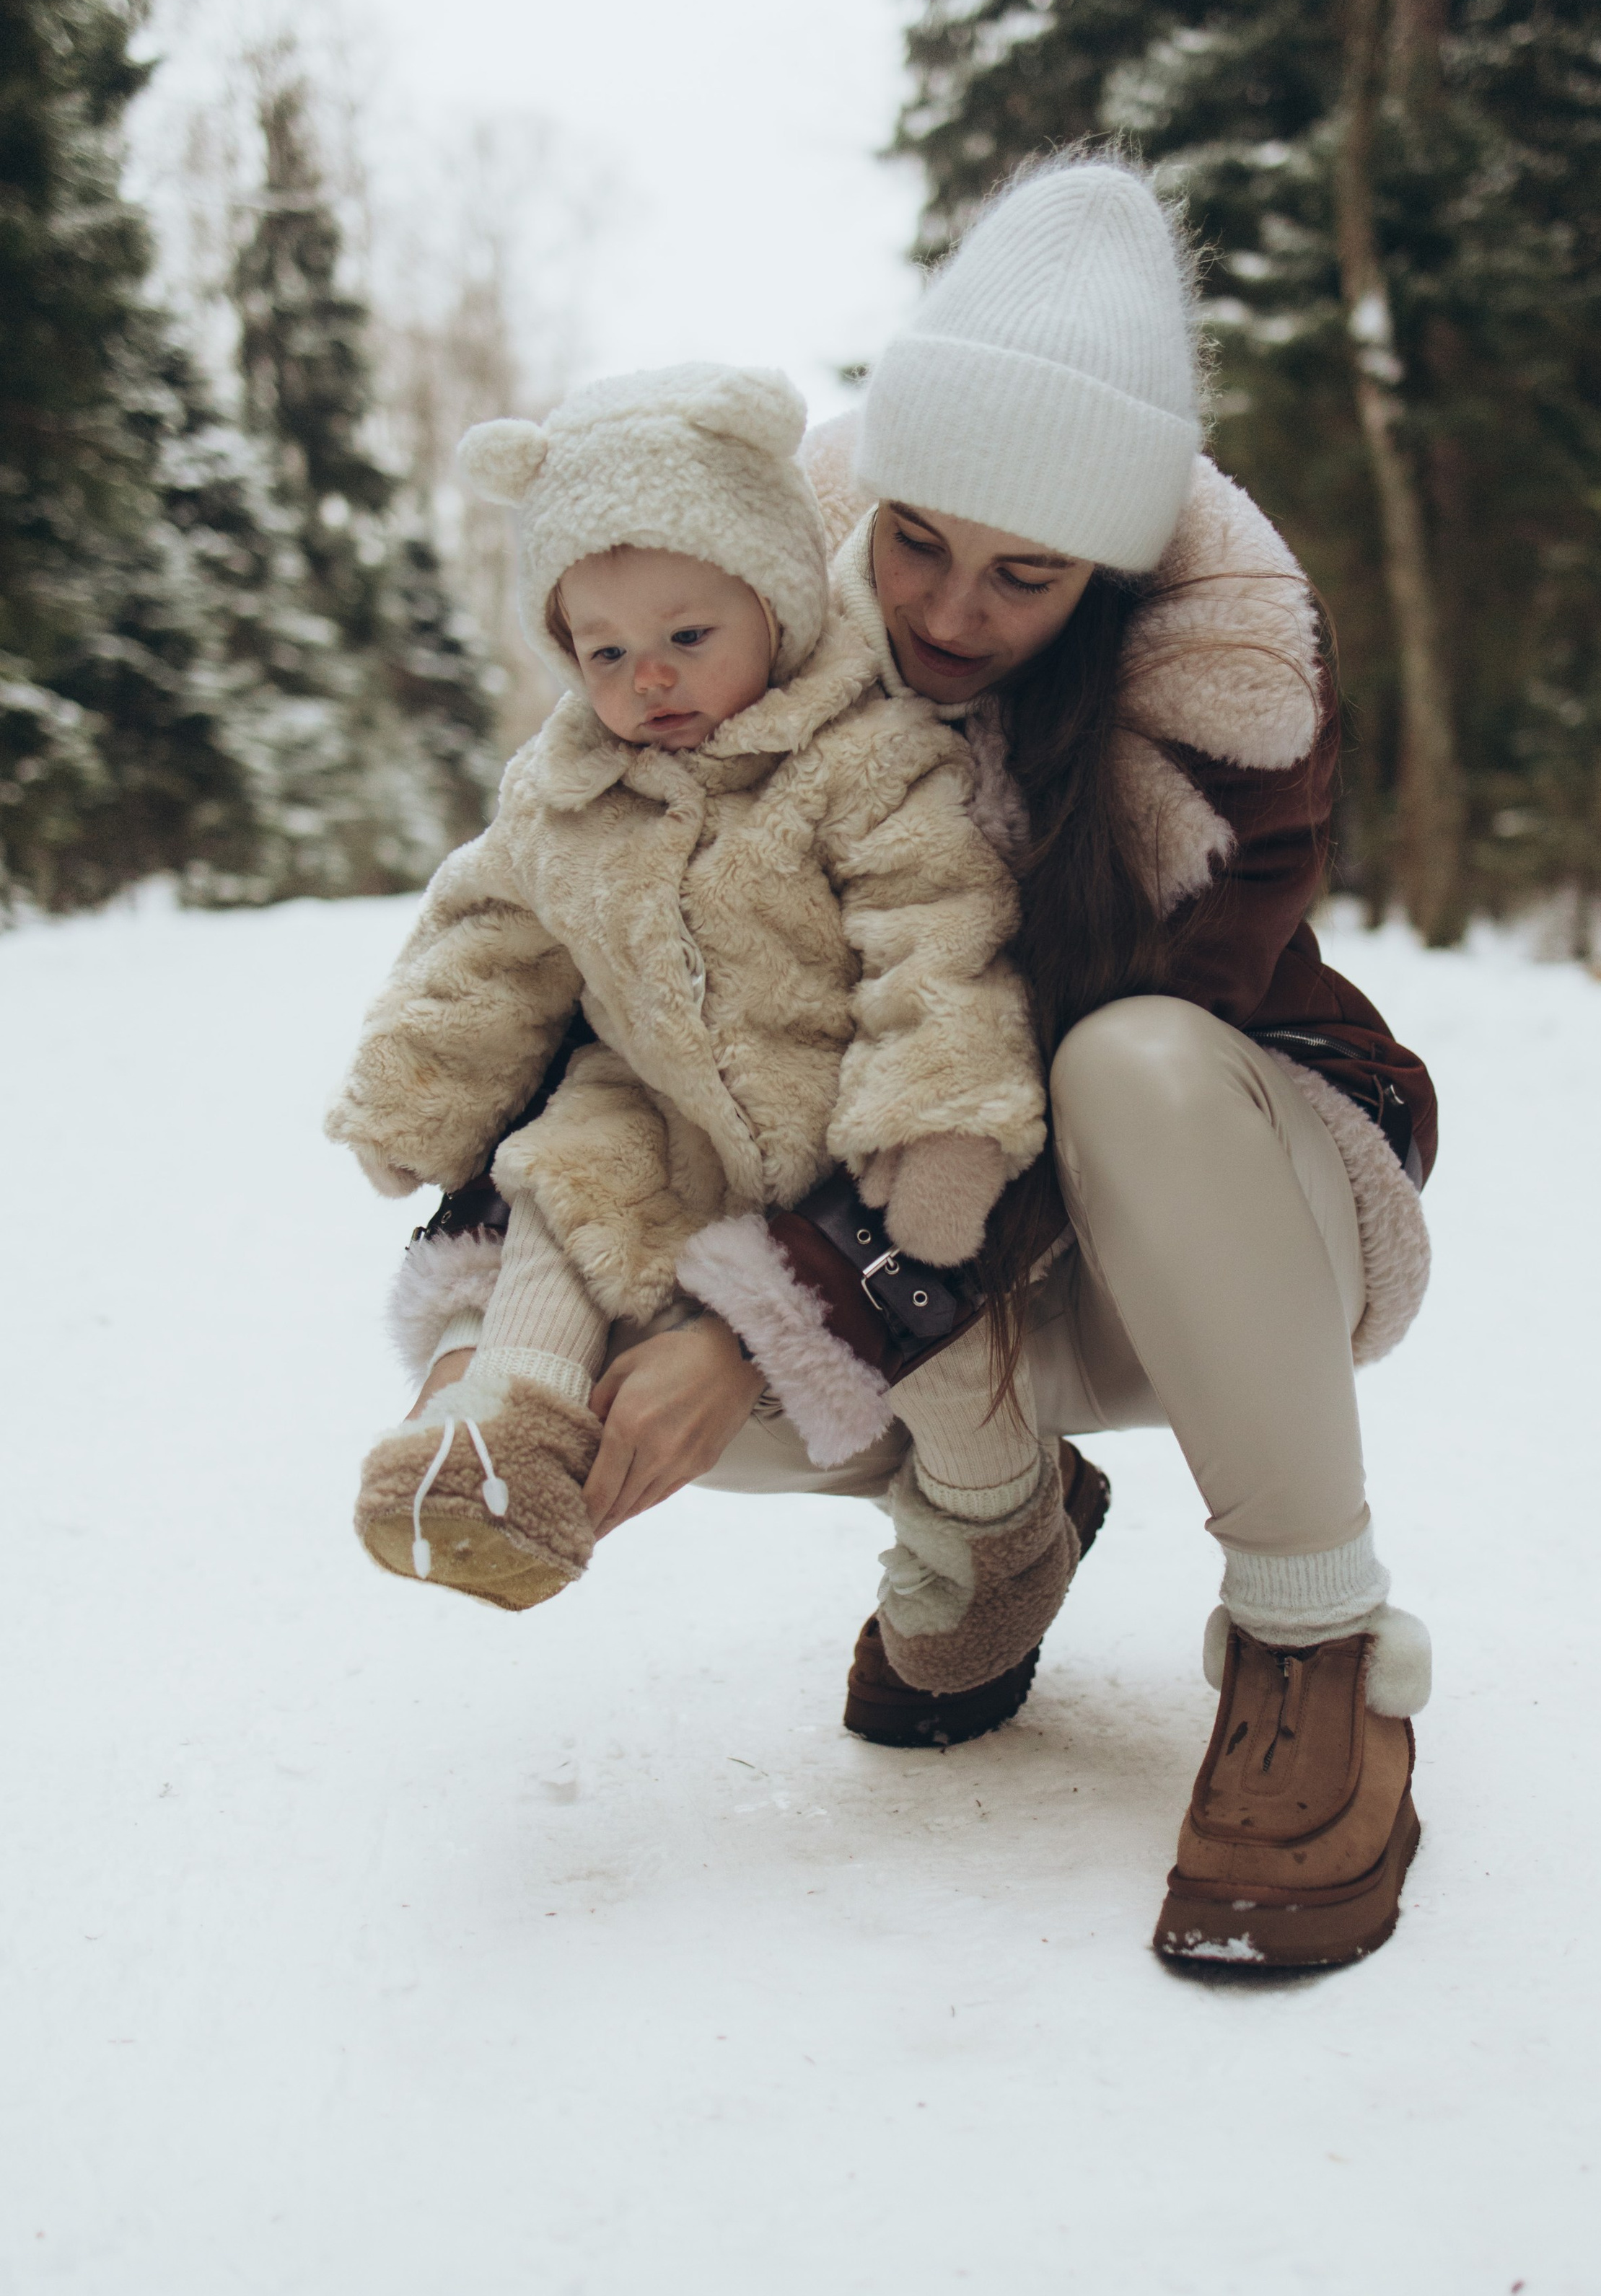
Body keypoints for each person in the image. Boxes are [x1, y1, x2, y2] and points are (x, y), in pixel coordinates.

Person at [385, 157, 1441, 1973]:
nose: (947, 611)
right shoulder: (747, 622)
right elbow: (602, 991)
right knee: (619, 1364)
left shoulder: (1221, 700)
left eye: (1023, 575)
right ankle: (993, 1509)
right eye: (913, 543)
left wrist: (770, 1322)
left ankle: (1312, 1635)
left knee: (1120, 1058)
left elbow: (1012, 1079)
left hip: (1214, 1215)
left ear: (1106, 573)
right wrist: (499, 1321)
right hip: (923, 1237)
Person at [328, 361, 1046, 1613]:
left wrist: (937, 1122)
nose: (644, 678)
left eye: (686, 637)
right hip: (659, 1109)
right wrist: (416, 1091)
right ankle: (510, 1446)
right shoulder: (565, 790)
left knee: (943, 1346)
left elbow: (938, 935)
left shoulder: (864, 755)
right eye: (604, 649)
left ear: (775, 600)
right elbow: (485, 937)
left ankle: (998, 1528)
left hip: (841, 1127)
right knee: (564, 1185)